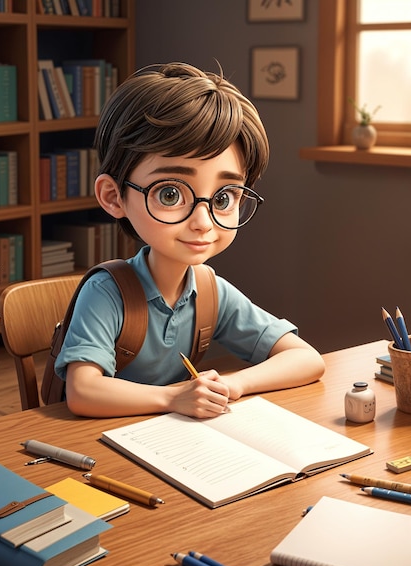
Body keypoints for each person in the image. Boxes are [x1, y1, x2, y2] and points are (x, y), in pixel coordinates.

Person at [55, 62, 325, 418]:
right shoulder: (107, 292)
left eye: (224, 198)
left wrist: (233, 385)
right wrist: (173, 398)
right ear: (114, 196)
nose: (202, 222)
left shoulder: (210, 292)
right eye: (170, 194)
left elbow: (307, 359)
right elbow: (83, 390)